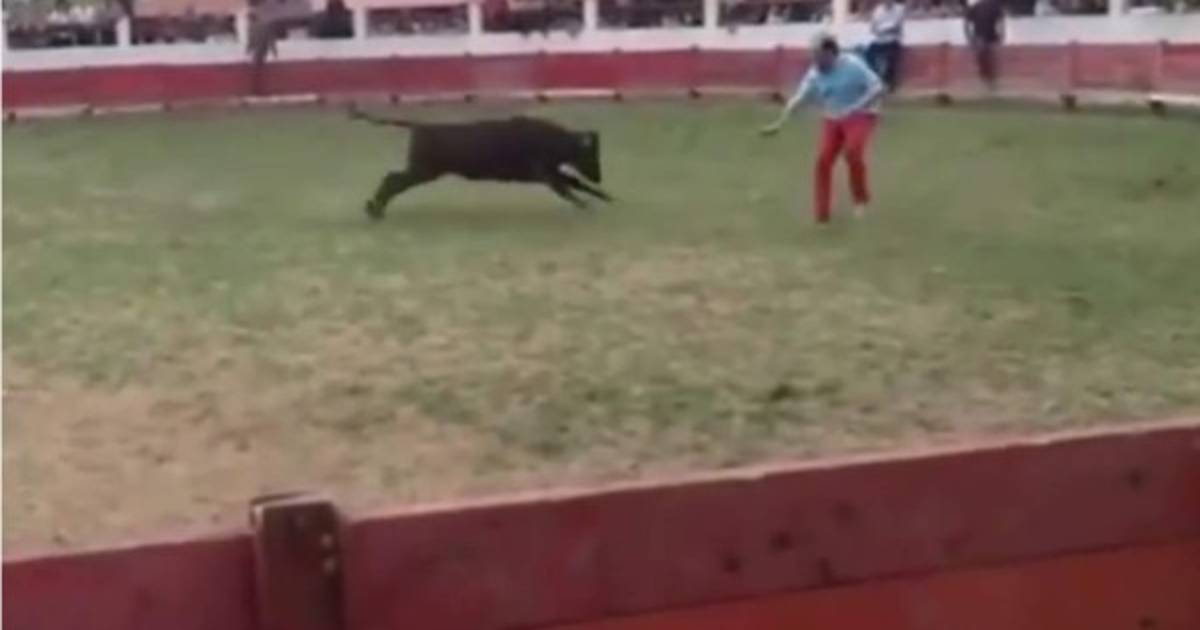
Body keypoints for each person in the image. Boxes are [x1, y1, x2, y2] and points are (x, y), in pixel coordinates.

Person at [760, 33, 885, 224]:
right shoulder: (814, 73)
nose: (814, 60)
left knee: (853, 152)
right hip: (832, 117)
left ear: (830, 53)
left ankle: (860, 199)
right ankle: (822, 214)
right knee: (823, 160)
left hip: (861, 114)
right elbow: (799, 98)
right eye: (812, 55)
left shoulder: (852, 65)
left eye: (817, 55)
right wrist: (780, 122)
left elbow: (877, 87)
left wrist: (857, 106)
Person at [865, 0, 906, 92]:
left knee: (891, 57)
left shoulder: (899, 9)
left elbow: (896, 27)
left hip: (893, 40)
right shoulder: (877, 10)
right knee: (868, 54)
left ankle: (890, 83)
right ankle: (875, 79)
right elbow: (873, 29)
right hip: (880, 40)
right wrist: (884, 29)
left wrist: (883, 29)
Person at [964, 0, 1005, 90]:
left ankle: (988, 79)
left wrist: (969, 37)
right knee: (988, 57)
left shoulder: (978, 6)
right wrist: (1002, 36)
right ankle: (989, 80)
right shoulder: (994, 6)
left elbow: (966, 23)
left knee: (986, 57)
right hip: (988, 36)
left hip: (984, 36)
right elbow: (1001, 23)